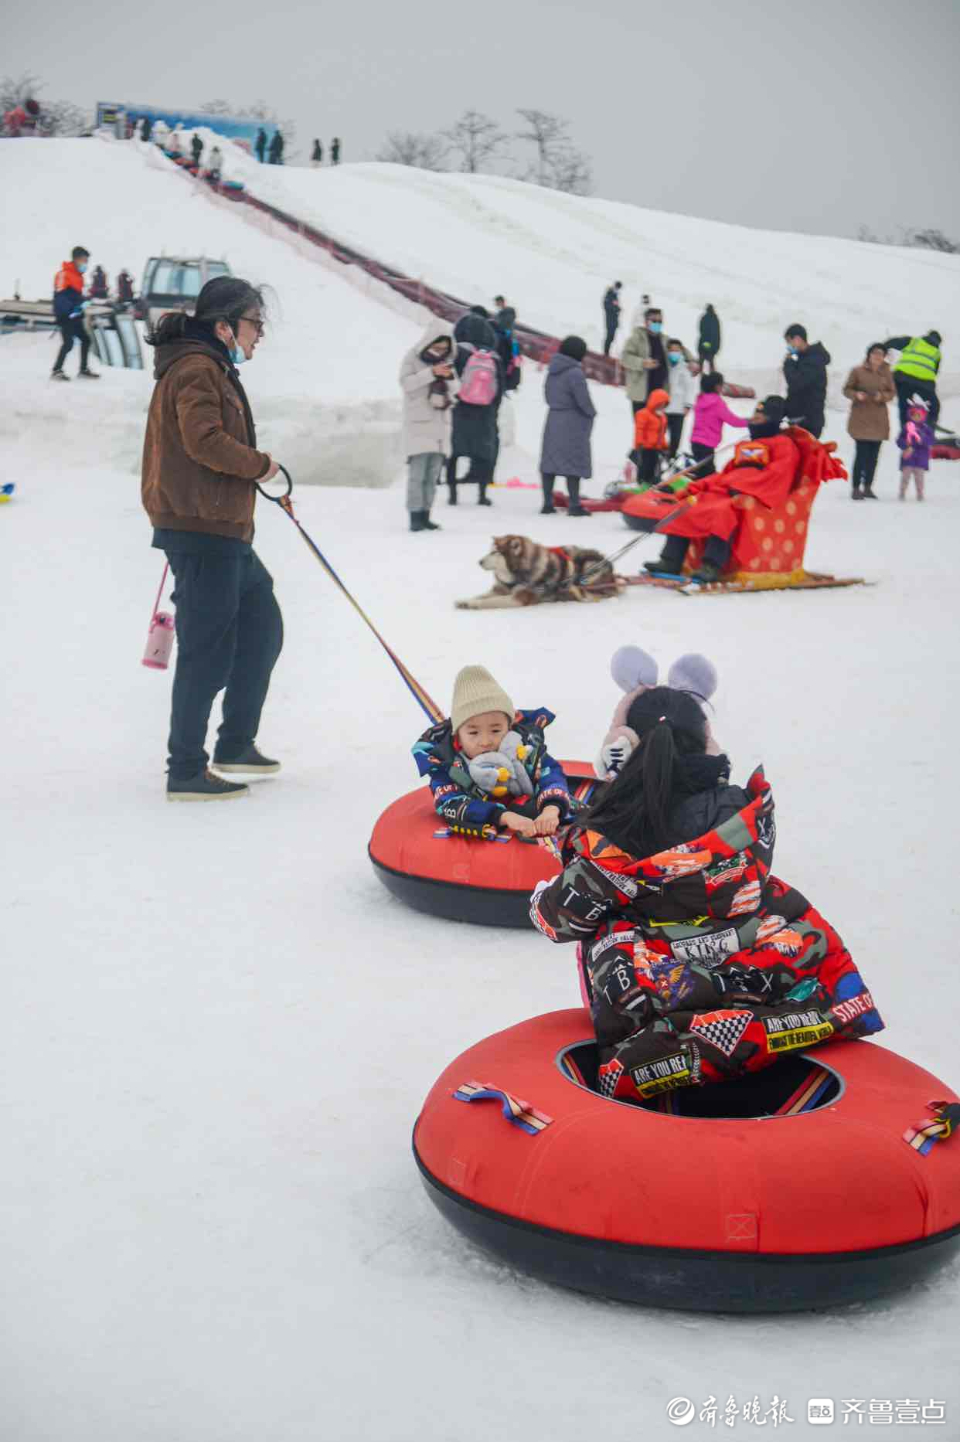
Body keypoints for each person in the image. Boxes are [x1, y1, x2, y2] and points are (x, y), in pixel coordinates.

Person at [529, 685, 882, 1104]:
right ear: (707, 742)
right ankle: (785, 1026)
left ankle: (655, 1061)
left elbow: (560, 920)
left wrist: (543, 895)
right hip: (768, 972)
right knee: (761, 896)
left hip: (663, 999)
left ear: (622, 750)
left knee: (607, 928)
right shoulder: (743, 809)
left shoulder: (614, 829)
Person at [141, 276, 284, 801]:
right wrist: (261, 466)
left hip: (222, 529)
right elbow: (203, 440)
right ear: (225, 325)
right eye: (255, 323)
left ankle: (235, 744)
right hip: (201, 529)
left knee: (263, 627)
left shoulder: (208, 365)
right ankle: (185, 769)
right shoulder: (198, 367)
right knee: (206, 649)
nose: (259, 334)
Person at [412, 666, 572, 840]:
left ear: (509, 727)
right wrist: (502, 816)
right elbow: (450, 803)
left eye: (495, 730)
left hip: (531, 809)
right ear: (458, 734)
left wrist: (551, 808)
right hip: (486, 836)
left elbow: (551, 774)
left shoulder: (523, 749)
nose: (486, 741)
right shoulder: (448, 766)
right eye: (473, 733)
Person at [644, 396, 791, 582]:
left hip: (742, 496)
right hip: (723, 491)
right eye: (755, 414)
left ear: (771, 420)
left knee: (722, 513)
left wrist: (744, 489)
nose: (754, 419)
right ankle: (670, 560)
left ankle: (711, 566)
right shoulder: (746, 446)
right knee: (686, 508)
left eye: (760, 416)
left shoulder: (783, 445)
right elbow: (725, 475)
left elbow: (777, 476)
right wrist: (695, 487)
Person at [400, 320, 458, 532]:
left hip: (440, 427)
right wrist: (431, 373)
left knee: (433, 477)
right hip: (419, 425)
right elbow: (407, 384)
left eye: (444, 348)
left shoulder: (447, 363)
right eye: (437, 346)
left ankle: (426, 514)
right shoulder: (412, 358)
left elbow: (457, 389)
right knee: (417, 475)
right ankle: (415, 515)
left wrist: (448, 376)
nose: (440, 351)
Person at [446, 312, 503, 507]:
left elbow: (449, 380)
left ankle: (453, 494)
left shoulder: (458, 352)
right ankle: (482, 495)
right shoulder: (494, 357)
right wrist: (493, 410)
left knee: (454, 453)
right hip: (485, 412)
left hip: (460, 409)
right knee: (482, 454)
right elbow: (500, 387)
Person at [539, 336, 596, 517]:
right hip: (573, 421)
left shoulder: (552, 369)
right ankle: (574, 504)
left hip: (553, 418)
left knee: (550, 462)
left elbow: (547, 394)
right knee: (573, 463)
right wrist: (591, 412)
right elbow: (583, 400)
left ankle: (547, 503)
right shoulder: (574, 373)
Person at [842, 343, 895, 500]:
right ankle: (856, 487)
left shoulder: (887, 373)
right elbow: (846, 389)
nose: (877, 357)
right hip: (861, 417)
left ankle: (868, 487)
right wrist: (857, 395)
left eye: (881, 354)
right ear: (869, 355)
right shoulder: (857, 371)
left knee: (873, 456)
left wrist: (882, 397)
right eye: (875, 353)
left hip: (879, 419)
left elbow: (891, 393)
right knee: (861, 454)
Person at [688, 372, 751, 477]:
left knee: (702, 472)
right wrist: (750, 422)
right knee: (708, 475)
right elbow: (732, 420)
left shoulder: (700, 400)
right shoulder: (717, 403)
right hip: (707, 445)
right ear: (717, 386)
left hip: (696, 442)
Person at [51, 247, 98, 381]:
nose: (86, 264)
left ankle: (83, 370)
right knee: (68, 343)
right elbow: (60, 296)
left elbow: (75, 297)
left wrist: (83, 303)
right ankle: (56, 371)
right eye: (84, 260)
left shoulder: (78, 277)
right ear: (76, 259)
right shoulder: (63, 274)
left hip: (75, 315)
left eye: (87, 261)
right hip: (66, 316)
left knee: (86, 340)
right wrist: (69, 311)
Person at [883, 330, 942, 429]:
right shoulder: (937, 353)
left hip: (903, 378)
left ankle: (905, 429)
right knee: (934, 405)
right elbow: (934, 372)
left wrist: (882, 349)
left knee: (904, 405)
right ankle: (931, 422)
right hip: (925, 383)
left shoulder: (913, 341)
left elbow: (894, 342)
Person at [782, 325, 830, 438]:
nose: (789, 346)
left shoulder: (814, 359)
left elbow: (795, 383)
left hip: (808, 421)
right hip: (799, 417)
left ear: (798, 339)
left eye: (790, 342)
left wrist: (789, 362)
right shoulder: (803, 358)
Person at [621, 307, 668, 415]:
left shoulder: (665, 340)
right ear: (646, 322)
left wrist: (691, 362)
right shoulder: (636, 338)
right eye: (654, 321)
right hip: (641, 394)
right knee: (642, 429)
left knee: (657, 430)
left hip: (659, 396)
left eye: (660, 321)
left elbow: (680, 352)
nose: (657, 324)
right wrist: (642, 363)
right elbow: (625, 358)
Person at [632, 387, 670, 486]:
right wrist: (639, 443)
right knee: (644, 466)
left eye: (664, 405)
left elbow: (662, 434)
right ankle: (641, 483)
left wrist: (664, 446)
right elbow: (639, 430)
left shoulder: (662, 417)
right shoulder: (644, 414)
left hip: (655, 448)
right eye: (660, 404)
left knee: (654, 467)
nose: (662, 407)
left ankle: (650, 483)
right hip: (645, 447)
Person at [665, 339, 695, 459]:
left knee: (675, 438)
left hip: (678, 410)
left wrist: (688, 405)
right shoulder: (664, 366)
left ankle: (672, 458)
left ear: (681, 352)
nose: (674, 353)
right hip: (664, 409)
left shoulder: (685, 368)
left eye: (677, 351)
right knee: (659, 437)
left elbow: (690, 388)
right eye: (672, 350)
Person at [897, 401, 933, 501]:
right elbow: (899, 440)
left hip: (921, 458)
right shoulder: (907, 427)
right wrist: (905, 445)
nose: (916, 417)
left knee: (919, 478)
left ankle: (920, 493)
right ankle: (902, 491)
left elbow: (931, 440)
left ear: (923, 416)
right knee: (905, 476)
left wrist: (922, 440)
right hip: (908, 456)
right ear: (910, 415)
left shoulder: (926, 429)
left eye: (919, 415)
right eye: (914, 415)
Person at [697, 304, 721, 373]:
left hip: (703, 343)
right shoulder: (715, 319)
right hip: (712, 346)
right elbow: (717, 334)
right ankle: (713, 377)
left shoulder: (703, 317)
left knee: (701, 363)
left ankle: (699, 377)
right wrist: (716, 347)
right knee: (711, 363)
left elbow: (700, 330)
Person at [603, 282, 622, 356]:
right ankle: (605, 353)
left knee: (612, 337)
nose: (617, 289)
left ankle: (607, 352)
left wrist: (618, 309)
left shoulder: (615, 296)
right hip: (609, 320)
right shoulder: (609, 294)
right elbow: (607, 306)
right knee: (609, 337)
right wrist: (616, 309)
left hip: (614, 321)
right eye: (617, 288)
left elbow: (615, 306)